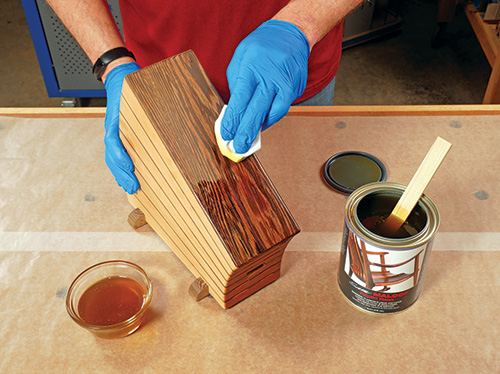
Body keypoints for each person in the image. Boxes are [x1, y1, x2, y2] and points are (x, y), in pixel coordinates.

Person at [47, 0, 362, 194]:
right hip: (163, 81)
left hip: (285, 74)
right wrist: (112, 62)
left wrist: (302, 23)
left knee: (303, 203)